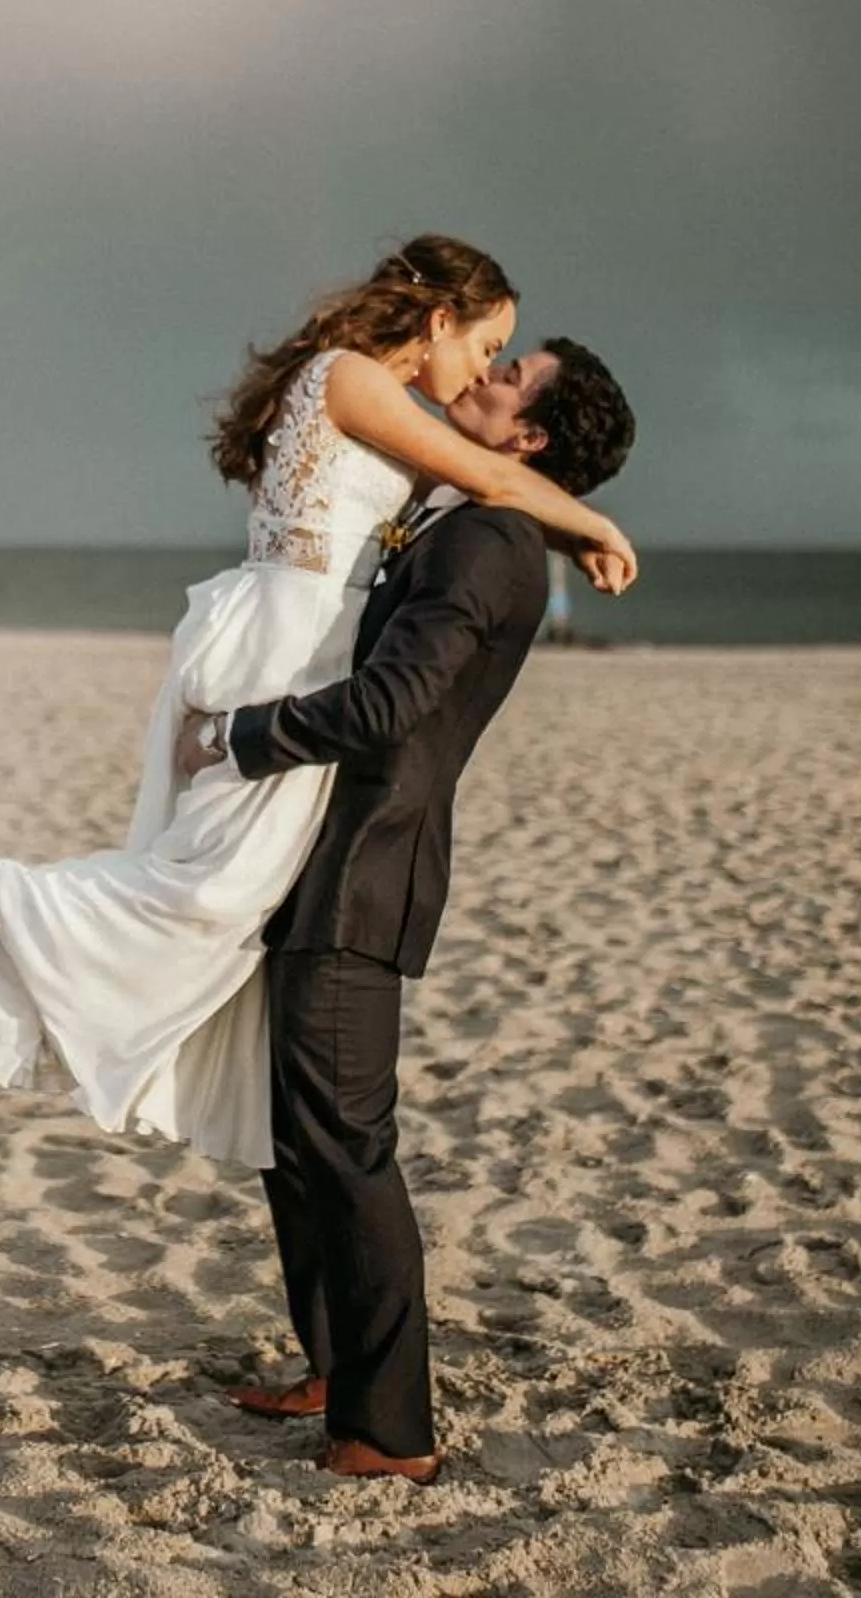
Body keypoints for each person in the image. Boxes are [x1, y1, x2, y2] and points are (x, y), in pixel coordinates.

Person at [0, 237, 635, 1176]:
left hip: (290, 641)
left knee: (214, 886)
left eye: (504, 364)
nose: (486, 368)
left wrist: (569, 539)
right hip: (283, 643)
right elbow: (487, 479)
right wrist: (597, 525)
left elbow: (476, 485)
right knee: (211, 888)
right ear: (441, 322)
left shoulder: (384, 402)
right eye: (490, 347)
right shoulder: (354, 379)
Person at [189, 334, 638, 1483]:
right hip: (321, 860)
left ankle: (391, 1431)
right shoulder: (466, 515)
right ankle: (333, 1368)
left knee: (349, 1151)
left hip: (364, 874)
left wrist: (243, 737)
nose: (477, 373)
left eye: (505, 373)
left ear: (527, 435)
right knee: (299, 1146)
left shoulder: (489, 541)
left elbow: (392, 703)